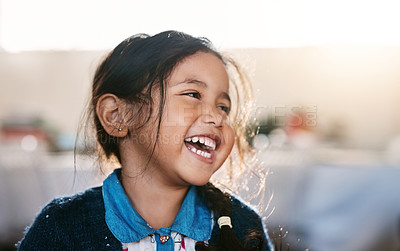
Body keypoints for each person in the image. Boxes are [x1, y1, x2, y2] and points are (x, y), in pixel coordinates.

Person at [17, 31, 273, 251]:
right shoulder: (62, 229)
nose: (218, 117)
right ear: (117, 116)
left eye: (223, 107)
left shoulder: (242, 224)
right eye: (193, 94)